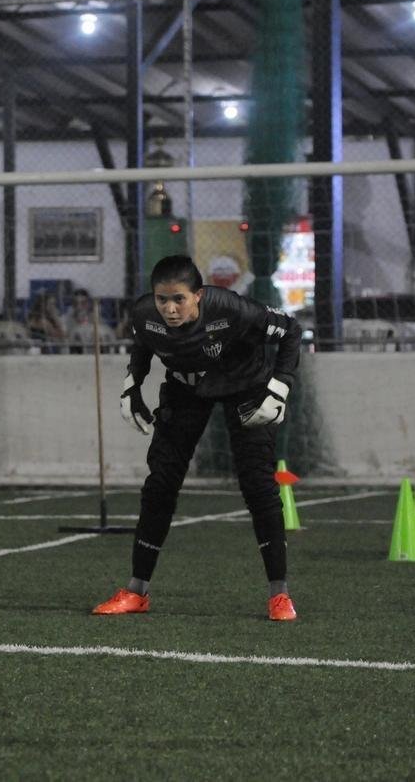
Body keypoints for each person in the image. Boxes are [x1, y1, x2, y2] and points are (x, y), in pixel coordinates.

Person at [92, 255, 302, 621]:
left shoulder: (232, 309)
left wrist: (280, 388)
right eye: (162, 300)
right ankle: (136, 591)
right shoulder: (144, 315)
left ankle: (279, 596)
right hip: (187, 389)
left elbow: (291, 331)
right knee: (160, 484)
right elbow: (143, 343)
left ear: (199, 296)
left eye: (179, 300)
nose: (170, 309)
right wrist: (132, 385)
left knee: (258, 485)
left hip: (245, 385)